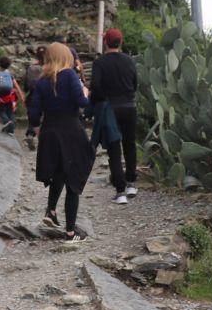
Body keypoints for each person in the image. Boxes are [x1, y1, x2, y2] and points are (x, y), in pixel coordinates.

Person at [29, 42, 95, 242]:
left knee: (58, 171)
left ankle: (51, 211)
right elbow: (83, 104)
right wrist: (85, 93)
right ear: (65, 56)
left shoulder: (41, 82)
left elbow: (33, 114)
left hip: (50, 132)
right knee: (73, 180)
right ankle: (70, 233)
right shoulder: (70, 76)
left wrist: (38, 126)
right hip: (71, 131)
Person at [89, 28, 140, 204]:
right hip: (129, 106)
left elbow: (95, 85)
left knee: (114, 148)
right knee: (130, 145)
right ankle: (132, 183)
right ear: (121, 42)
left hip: (111, 108)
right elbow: (135, 84)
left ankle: (120, 192)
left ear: (106, 42)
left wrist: (101, 100)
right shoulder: (130, 61)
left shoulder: (100, 63)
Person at [0, 56, 25, 135]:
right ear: (9, 65)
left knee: (1, 110)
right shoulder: (10, 73)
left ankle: (7, 122)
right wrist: (21, 95)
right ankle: (11, 130)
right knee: (10, 111)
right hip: (9, 96)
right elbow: (16, 85)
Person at [22, 46, 45, 149]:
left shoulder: (31, 68)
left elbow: (26, 85)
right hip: (46, 96)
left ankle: (31, 134)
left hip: (33, 95)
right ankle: (44, 141)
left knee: (33, 117)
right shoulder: (50, 68)